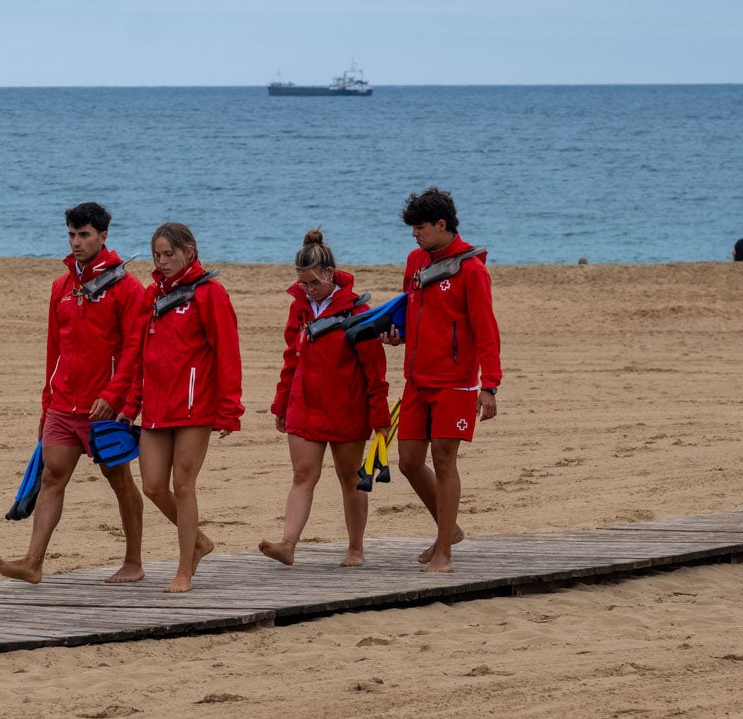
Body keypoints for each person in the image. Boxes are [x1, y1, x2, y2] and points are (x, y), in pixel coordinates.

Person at [0, 202, 146, 584]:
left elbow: (134, 350)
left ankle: (134, 562)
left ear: (103, 236)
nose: (76, 242)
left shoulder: (126, 287)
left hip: (104, 408)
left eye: (84, 235)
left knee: (120, 480)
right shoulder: (61, 287)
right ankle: (33, 562)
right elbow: (53, 351)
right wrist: (46, 406)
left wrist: (116, 397)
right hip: (63, 404)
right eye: (72, 235)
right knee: (52, 479)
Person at [382, 187, 502, 573]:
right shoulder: (416, 260)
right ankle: (449, 530)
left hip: (457, 383)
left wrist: (490, 385)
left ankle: (444, 553)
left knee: (444, 460)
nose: (414, 234)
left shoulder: (472, 270)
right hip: (416, 381)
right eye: (411, 228)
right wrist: (396, 334)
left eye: (420, 227)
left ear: (441, 224)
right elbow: (407, 312)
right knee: (408, 461)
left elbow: (487, 331)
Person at [260, 229, 391, 568]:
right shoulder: (299, 309)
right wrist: (281, 403)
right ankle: (287, 544)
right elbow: (291, 358)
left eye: (313, 283)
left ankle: (356, 548)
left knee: (350, 479)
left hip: (348, 409)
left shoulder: (359, 311)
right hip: (304, 405)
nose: (306, 289)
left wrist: (380, 419)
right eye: (302, 283)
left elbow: (375, 372)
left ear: (331, 275)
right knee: (303, 475)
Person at [129, 222, 243, 593]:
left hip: (195, 407)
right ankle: (200, 542)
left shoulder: (210, 294)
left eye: (168, 254)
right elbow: (139, 355)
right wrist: (131, 401)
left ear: (189, 252)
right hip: (156, 407)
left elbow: (228, 355)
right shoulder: (152, 296)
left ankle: (184, 571)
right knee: (153, 486)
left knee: (184, 484)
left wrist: (229, 410)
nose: (161, 262)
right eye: (156, 255)